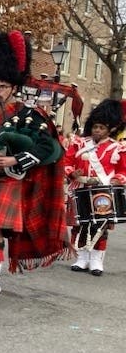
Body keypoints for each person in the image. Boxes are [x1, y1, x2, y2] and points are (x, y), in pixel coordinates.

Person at [0, 30, 66, 306]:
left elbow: (50, 148)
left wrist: (15, 160)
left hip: (9, 181)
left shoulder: (29, 115)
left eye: (3, 86)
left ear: (14, 87)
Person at [63, 98, 125, 275]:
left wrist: (118, 180)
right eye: (95, 127)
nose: (97, 130)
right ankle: (81, 258)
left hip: (103, 190)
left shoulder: (117, 148)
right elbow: (67, 161)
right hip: (80, 189)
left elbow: (123, 169)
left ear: (110, 129)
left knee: (101, 226)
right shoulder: (80, 143)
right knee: (79, 225)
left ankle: (96, 260)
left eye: (101, 128)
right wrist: (71, 172)